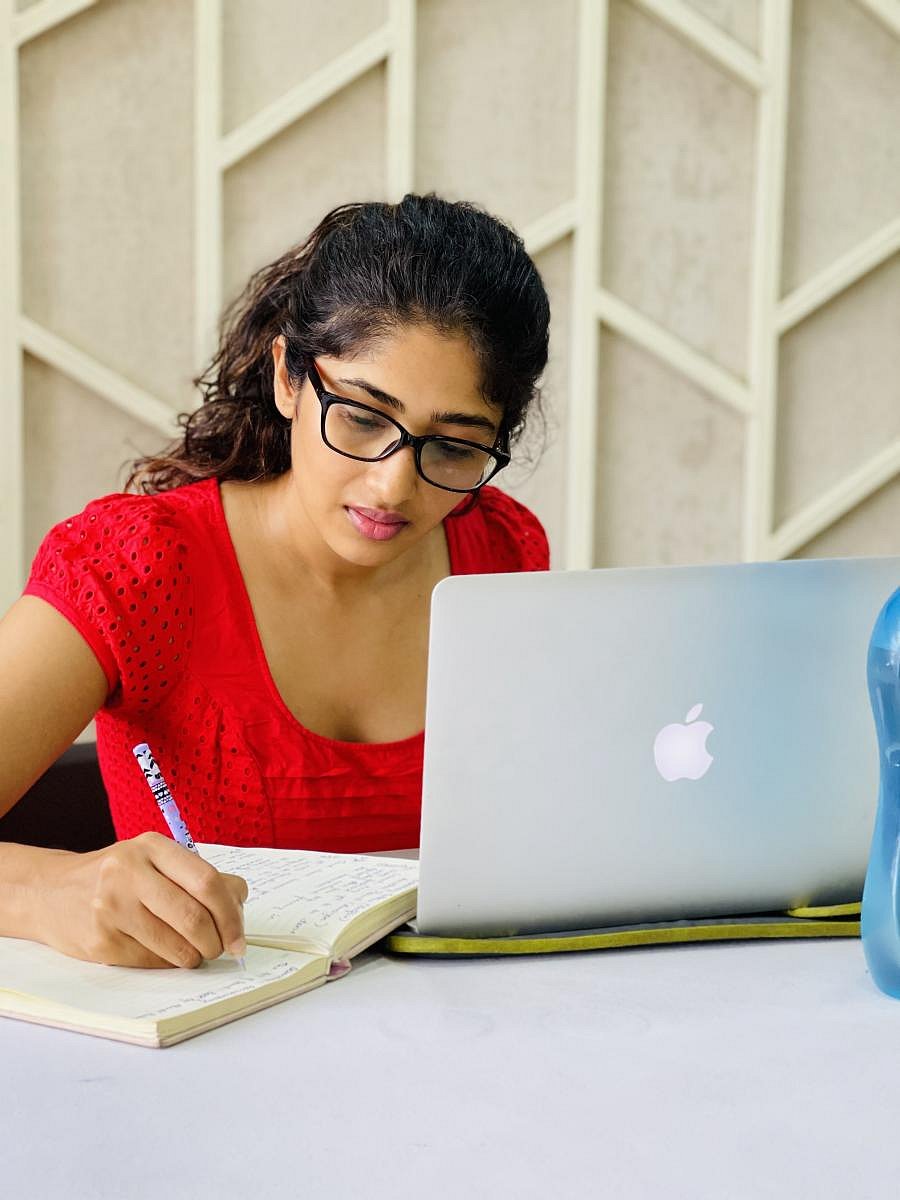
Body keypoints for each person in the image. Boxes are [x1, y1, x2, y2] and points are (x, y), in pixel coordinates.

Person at [0, 193, 551, 969]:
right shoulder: (136, 569)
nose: (393, 486)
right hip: (218, 1031)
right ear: (289, 376)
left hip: (453, 1027)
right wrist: (44, 891)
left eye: (454, 447)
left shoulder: (502, 552)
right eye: (361, 417)